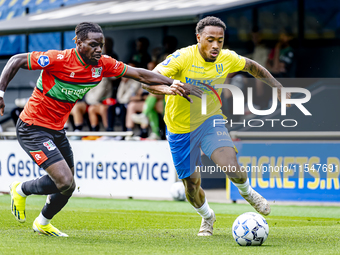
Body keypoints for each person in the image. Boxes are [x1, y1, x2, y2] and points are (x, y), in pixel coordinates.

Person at [0, 22, 201, 237]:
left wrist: (174, 83)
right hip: (33, 127)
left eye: (101, 45)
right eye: (93, 44)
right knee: (65, 181)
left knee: (68, 187)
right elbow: (16, 60)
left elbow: (140, 74)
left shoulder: (102, 64)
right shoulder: (58, 59)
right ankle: (20, 189)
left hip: (57, 130)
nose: (98, 49)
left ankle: (42, 222)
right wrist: (1, 94)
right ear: (77, 43)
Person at [142, 16, 291, 236]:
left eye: (220, 41)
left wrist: (277, 85)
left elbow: (252, 66)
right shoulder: (182, 58)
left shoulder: (227, 58)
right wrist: (168, 89)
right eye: (210, 40)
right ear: (198, 37)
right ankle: (207, 217)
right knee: (192, 187)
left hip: (210, 120)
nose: (215, 45)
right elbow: (148, 80)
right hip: (179, 129)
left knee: (231, 166)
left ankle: (248, 193)